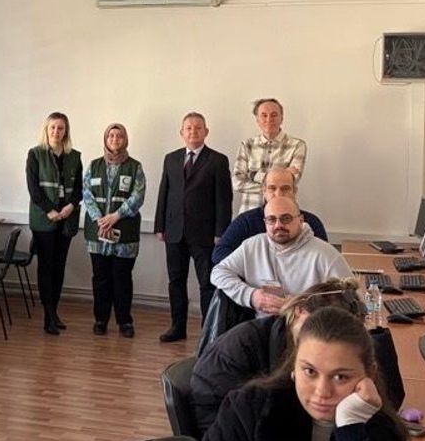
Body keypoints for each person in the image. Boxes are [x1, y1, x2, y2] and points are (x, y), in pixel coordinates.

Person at [180, 307, 422, 441]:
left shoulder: (381, 429)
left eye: (341, 377)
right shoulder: (248, 409)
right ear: (294, 367)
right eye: (310, 372)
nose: (322, 392)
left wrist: (353, 439)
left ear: (370, 374)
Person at [190, 278, 405, 435]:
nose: (322, 337)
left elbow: (389, 402)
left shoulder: (309, 347)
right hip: (221, 425)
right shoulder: (243, 349)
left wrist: (374, 335)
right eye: (310, 371)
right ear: (300, 310)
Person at [153, 112, 232, 342]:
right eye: (188, 128)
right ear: (182, 132)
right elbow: (164, 193)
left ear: (206, 132)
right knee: (176, 281)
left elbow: (223, 199)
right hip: (174, 231)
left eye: (198, 128)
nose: (193, 131)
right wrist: (159, 225)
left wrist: (221, 232)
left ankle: (208, 331)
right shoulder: (171, 158)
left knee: (207, 283)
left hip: (205, 234)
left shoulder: (217, 160)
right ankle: (177, 327)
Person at [210, 196, 350, 316]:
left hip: (309, 328)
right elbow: (219, 272)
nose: (278, 225)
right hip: (264, 326)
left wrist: (298, 306)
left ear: (301, 220)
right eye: (271, 219)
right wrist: (251, 296)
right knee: (232, 340)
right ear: (265, 222)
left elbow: (349, 299)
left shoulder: (327, 255)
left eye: (286, 218)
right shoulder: (253, 245)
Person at [81, 123, 146, 338]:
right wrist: (101, 220)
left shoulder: (135, 167)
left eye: (119, 136)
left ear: (125, 139)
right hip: (97, 233)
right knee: (100, 279)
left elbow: (138, 196)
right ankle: (100, 320)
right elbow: (87, 194)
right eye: (111, 135)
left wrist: (116, 216)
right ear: (105, 139)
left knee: (122, 279)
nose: (115, 139)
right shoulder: (94, 165)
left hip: (125, 233)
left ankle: (124, 322)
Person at [26, 111, 83, 336]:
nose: (56, 132)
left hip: (66, 220)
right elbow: (33, 188)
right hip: (44, 220)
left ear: (66, 131)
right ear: (46, 130)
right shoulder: (35, 154)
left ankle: (54, 312)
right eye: (52, 127)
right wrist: (50, 210)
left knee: (59, 267)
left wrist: (70, 207)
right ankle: (48, 315)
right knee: (46, 268)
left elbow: (79, 188)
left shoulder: (75, 156)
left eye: (60, 128)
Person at [211, 167, 327, 264]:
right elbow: (219, 253)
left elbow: (323, 257)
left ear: (294, 191)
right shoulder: (246, 221)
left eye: (285, 188)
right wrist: (257, 268)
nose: (278, 194)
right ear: (264, 191)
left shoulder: (312, 222)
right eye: (272, 188)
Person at [233, 98, 308, 212]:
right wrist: (278, 182)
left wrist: (253, 175)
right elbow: (237, 183)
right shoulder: (247, 145)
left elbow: (292, 180)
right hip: (249, 212)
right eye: (264, 115)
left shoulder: (297, 145)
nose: (269, 119)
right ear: (257, 120)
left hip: (282, 214)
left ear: (281, 118)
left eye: (274, 115)